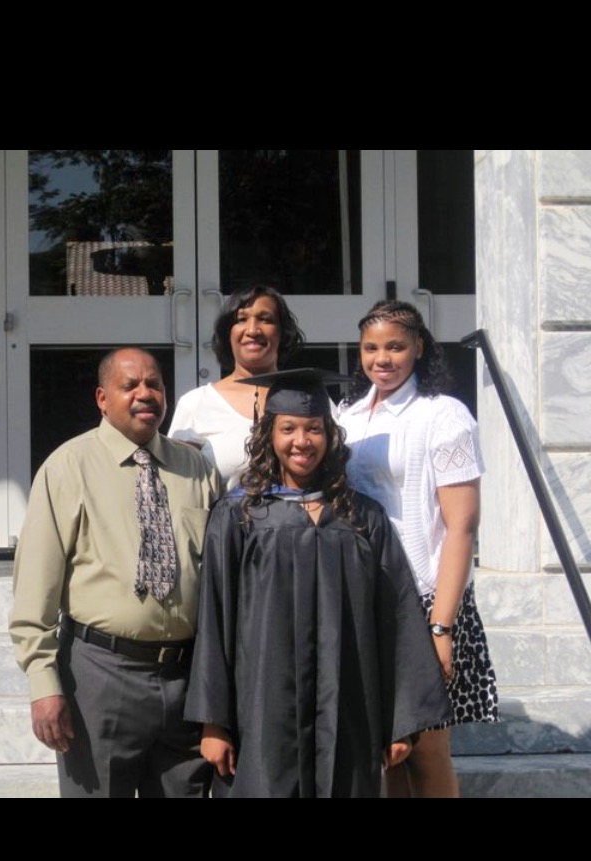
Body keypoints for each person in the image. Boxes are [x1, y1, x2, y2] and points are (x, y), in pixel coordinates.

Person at [184, 368, 452, 798]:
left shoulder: (362, 517)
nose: (301, 441)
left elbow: (395, 616)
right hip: (262, 706)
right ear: (269, 435)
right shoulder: (239, 516)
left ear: (330, 436)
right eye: (288, 429)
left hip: (348, 706)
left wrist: (399, 719)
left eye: (313, 429)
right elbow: (215, 617)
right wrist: (213, 722)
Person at [9, 347, 221, 798]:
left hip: (185, 678)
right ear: (102, 399)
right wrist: (43, 684)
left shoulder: (196, 468)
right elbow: (34, 589)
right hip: (100, 675)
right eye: (130, 386)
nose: (145, 394)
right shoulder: (68, 466)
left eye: (154, 384)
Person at [338, 301, 499, 799]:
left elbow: (462, 527)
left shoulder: (443, 414)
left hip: (426, 599)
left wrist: (441, 626)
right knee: (388, 749)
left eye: (395, 346)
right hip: (367, 596)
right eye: (371, 348)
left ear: (419, 348)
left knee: (427, 748)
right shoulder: (348, 415)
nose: (382, 359)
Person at [167, 285, 305, 488]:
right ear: (227, 332)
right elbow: (179, 486)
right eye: (241, 319)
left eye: (265, 319)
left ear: (282, 332)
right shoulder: (196, 404)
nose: (253, 330)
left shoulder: (307, 397)